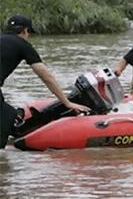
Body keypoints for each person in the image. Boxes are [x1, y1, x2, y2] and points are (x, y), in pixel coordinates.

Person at [0, 15, 90, 149]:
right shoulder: (22, 45)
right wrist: (67, 102)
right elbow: (46, 76)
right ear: (25, 31)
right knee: (8, 116)